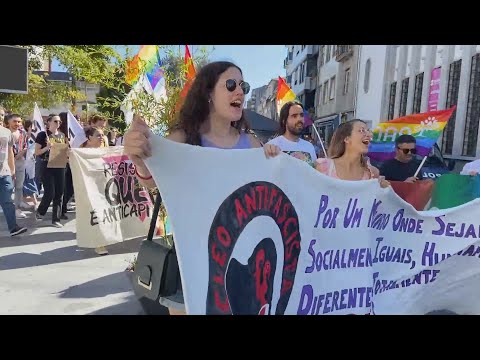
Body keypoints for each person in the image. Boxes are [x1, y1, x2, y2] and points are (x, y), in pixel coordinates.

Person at [124, 61, 281, 315]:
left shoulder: (251, 143)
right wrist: (138, 158)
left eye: (244, 86)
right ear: (208, 93)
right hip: (190, 261)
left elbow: (267, 192)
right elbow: (152, 182)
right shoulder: (183, 139)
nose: (240, 92)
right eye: (231, 85)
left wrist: (275, 163)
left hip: (237, 266)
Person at [315, 119, 389, 187]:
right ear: (347, 139)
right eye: (361, 130)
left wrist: (383, 189)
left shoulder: (372, 173)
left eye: (368, 131)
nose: (369, 135)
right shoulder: (323, 167)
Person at [34, 115, 68, 228]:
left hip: (60, 165)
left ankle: (56, 219)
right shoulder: (42, 135)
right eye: (55, 121)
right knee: (49, 192)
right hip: (46, 166)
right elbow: (37, 152)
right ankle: (41, 211)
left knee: (59, 193)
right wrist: (47, 147)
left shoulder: (62, 135)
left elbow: (65, 150)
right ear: (49, 122)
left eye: (59, 121)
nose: (58, 123)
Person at [267, 101, 317, 166]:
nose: (299, 119)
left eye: (301, 115)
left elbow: (315, 173)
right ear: (284, 121)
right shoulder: (272, 146)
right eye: (294, 116)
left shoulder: (309, 147)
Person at [0, 123, 27, 236]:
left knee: (7, 200)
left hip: (4, 172)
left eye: (1, 115)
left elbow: (10, 152)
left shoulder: (6, 132)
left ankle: (13, 227)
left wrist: (12, 170)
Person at [5, 114, 28, 219]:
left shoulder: (23, 133)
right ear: (9, 122)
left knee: (19, 186)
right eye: (14, 121)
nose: (17, 124)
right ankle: (9, 209)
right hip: (6, 163)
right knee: (9, 187)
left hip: (20, 162)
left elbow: (26, 146)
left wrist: (21, 153)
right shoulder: (4, 133)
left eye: (19, 121)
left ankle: (17, 207)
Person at [22, 120, 39, 209]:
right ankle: (28, 201)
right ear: (28, 127)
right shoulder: (23, 136)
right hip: (23, 163)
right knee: (24, 182)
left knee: (29, 181)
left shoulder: (34, 138)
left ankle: (32, 201)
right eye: (32, 127)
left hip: (31, 163)